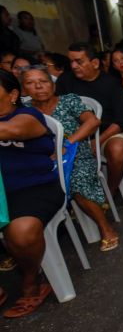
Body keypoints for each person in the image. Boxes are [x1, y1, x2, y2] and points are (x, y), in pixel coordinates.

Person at [22, 66, 119, 251]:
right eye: (30, 83)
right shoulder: (24, 111)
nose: (38, 87)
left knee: (75, 180)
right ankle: (24, 245)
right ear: (24, 90)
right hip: (43, 162)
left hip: (76, 156)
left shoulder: (68, 101)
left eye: (43, 81)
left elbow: (93, 122)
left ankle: (105, 227)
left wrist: (67, 145)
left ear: (52, 84)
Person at [0, 70, 65, 317]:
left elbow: (13, 131)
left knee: (21, 232)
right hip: (1, 194)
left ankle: (31, 281)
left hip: (34, 188)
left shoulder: (28, 115)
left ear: (13, 94)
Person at [56, 42, 123, 197]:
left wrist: (97, 141)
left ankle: (109, 192)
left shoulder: (112, 83)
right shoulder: (65, 81)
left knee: (118, 149)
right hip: (71, 136)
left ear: (95, 63)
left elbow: (122, 120)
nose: (74, 66)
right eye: (71, 61)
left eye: (79, 61)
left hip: (106, 134)